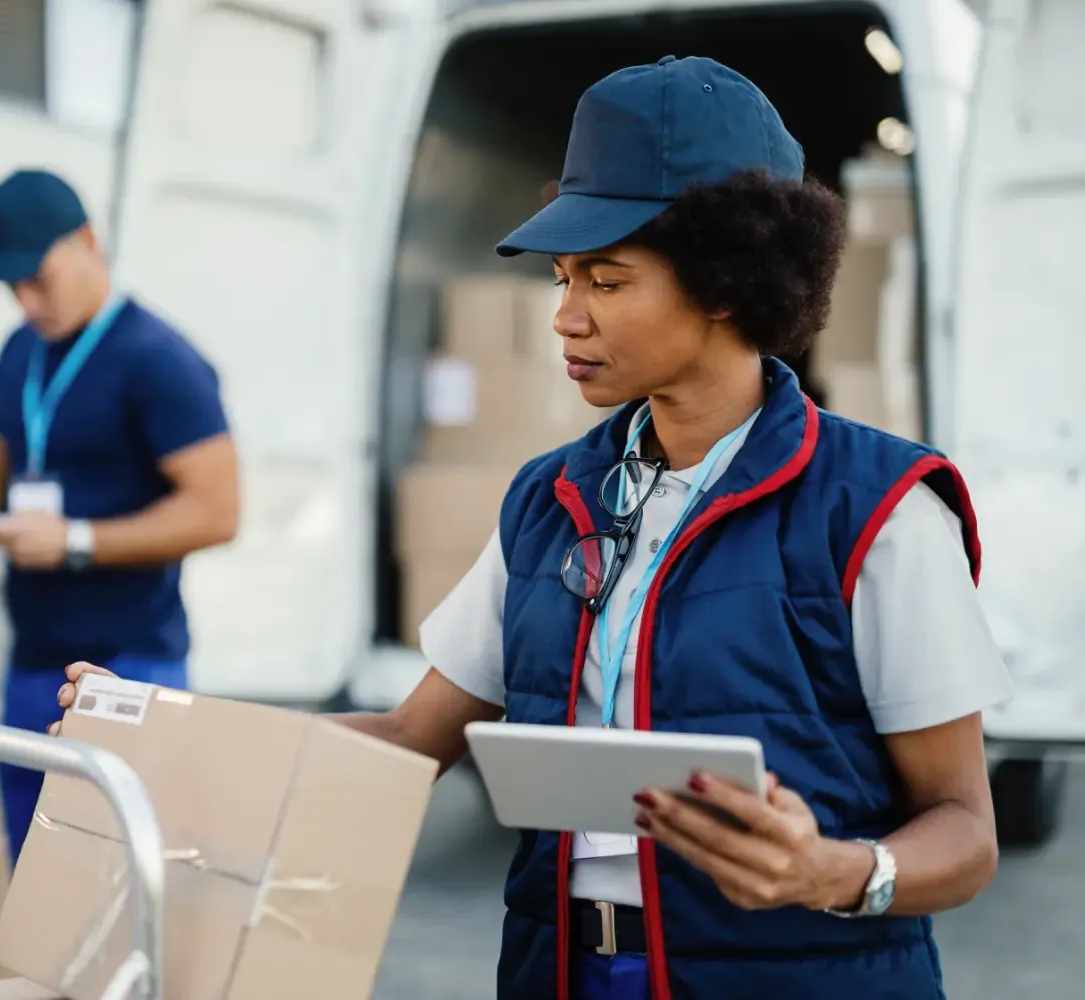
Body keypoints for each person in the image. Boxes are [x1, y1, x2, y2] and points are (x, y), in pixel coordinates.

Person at [57, 56, 1011, 1000]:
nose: (564, 318)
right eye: (563, 278)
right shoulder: (548, 499)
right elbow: (408, 737)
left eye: (605, 280)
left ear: (727, 281)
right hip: (564, 973)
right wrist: (167, 734)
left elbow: (964, 830)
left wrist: (832, 874)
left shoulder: (876, 510)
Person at [0, 168, 238, 867]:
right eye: (11, 286)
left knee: (125, 891)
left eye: (39, 278)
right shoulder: (19, 353)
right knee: (33, 887)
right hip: (30, 662)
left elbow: (218, 512)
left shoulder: (160, 360)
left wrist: (76, 541)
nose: (27, 300)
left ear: (88, 242)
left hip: (130, 662)